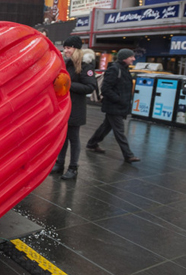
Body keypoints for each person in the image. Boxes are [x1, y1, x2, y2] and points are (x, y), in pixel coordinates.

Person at [51, 36, 97, 180]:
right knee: (63, 137)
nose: (66, 51)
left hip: (76, 108)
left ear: (76, 49)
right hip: (64, 107)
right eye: (65, 48)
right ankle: (60, 163)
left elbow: (90, 86)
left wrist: (68, 85)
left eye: (68, 48)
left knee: (74, 138)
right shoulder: (67, 64)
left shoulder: (85, 66)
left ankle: (73, 168)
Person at [86, 49, 141, 163]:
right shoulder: (115, 69)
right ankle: (128, 155)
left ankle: (92, 143)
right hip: (114, 106)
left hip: (119, 105)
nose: (134, 59)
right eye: (131, 57)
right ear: (125, 58)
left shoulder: (124, 69)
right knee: (119, 131)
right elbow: (106, 89)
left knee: (106, 126)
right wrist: (118, 99)